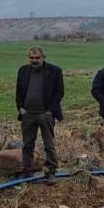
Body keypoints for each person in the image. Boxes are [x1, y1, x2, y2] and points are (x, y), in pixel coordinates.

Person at [16, 46, 65, 185]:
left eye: (37, 58)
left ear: (43, 57)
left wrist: (50, 111)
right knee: (27, 145)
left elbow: (59, 92)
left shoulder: (54, 71)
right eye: (31, 58)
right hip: (28, 114)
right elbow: (19, 91)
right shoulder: (23, 70)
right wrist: (20, 108)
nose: (34, 60)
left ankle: (51, 172)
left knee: (48, 144)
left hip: (45, 113)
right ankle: (27, 172)